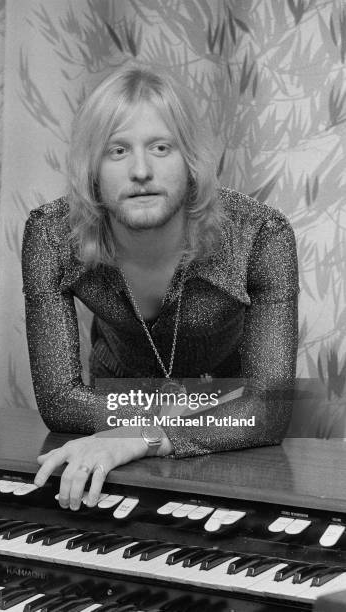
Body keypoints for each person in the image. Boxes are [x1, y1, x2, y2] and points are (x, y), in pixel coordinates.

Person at [22, 63, 299, 512]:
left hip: (224, 415)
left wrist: (149, 434)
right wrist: (138, 426)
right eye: (117, 151)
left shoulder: (260, 233)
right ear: (91, 168)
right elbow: (58, 400)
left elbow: (267, 410)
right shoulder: (52, 233)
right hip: (112, 406)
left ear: (190, 162)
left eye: (161, 147)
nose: (141, 170)